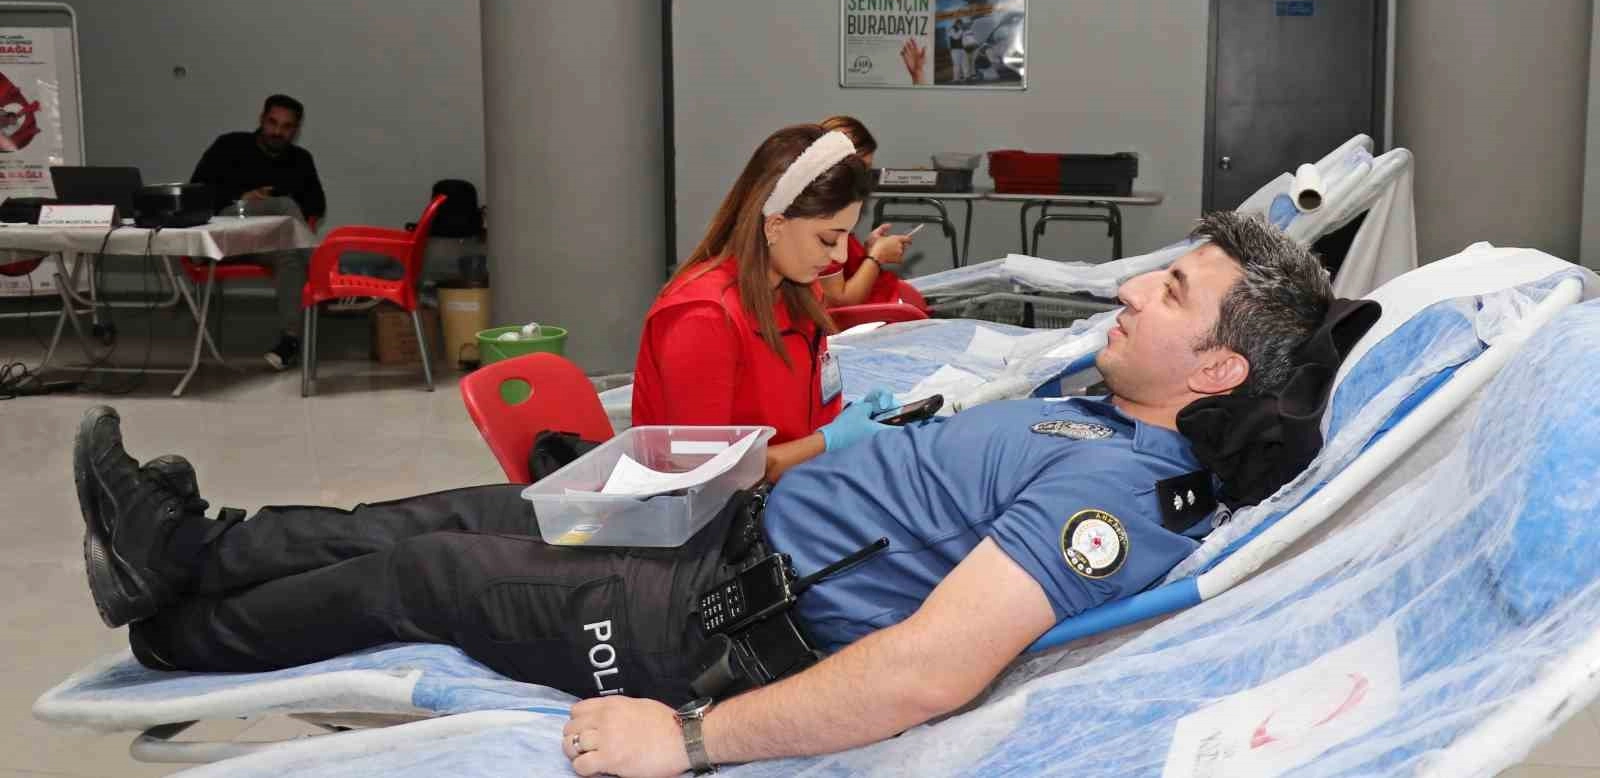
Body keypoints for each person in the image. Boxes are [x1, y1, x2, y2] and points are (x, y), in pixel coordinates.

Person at [73, 211, 1337, 778]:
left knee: (427, 577)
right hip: (719, 530)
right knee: (449, 511)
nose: (1132, 288)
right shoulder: (1103, 402)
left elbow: (927, 671)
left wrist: (684, 741)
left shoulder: (1119, 493)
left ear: (1217, 370)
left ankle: (178, 634)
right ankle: (182, 545)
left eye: (1171, 291)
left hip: (707, 622)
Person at [631, 124, 902, 476]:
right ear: (774, 226)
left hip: (795, 485)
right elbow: (701, 472)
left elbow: (796, 416)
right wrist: (828, 442)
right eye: (827, 239)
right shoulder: (703, 319)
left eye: (846, 237)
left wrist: (848, 418)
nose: (839, 256)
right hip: (723, 505)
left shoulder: (799, 293)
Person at [189, 95, 326, 371]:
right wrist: (243, 198)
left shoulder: (300, 159)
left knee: (289, 253)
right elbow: (197, 193)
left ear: (296, 130)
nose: (277, 131)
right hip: (225, 236)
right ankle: (326, 275)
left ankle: (290, 341)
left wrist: (272, 202)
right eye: (272, 123)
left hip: (266, 243)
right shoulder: (229, 145)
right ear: (261, 119)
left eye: (286, 127)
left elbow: (317, 206)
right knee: (285, 205)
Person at [814, 115, 923, 311]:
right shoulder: (821, 218)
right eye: (861, 171)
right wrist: (877, 257)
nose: (863, 182)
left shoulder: (832, 212)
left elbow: (841, 271)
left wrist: (867, 252)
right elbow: (839, 303)